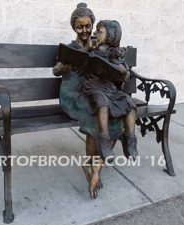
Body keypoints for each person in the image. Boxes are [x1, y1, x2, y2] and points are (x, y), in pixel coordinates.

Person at [53, 3, 124, 199]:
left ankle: (95, 168)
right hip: (73, 95)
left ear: (92, 25)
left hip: (94, 94)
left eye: (88, 26)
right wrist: (63, 68)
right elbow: (55, 70)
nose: (84, 31)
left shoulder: (98, 45)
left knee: (117, 116)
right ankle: (91, 165)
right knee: (96, 116)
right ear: (73, 27)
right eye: (79, 27)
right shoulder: (69, 48)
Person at [83, 20, 138, 161]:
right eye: (96, 30)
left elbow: (123, 74)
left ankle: (130, 138)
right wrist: (87, 49)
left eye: (99, 31)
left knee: (130, 103)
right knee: (102, 102)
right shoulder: (92, 50)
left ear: (111, 36)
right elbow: (81, 62)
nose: (95, 33)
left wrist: (122, 70)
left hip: (110, 88)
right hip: (94, 87)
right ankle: (104, 139)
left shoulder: (114, 53)